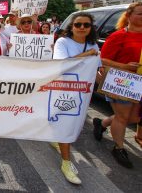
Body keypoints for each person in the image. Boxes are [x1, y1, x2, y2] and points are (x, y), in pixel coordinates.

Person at [52, 12, 99, 185]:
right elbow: (62, 63)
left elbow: (98, 66)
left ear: (90, 28)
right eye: (78, 24)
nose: (81, 28)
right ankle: (66, 163)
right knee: (67, 123)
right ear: (71, 26)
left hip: (83, 92)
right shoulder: (63, 42)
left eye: (86, 25)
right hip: (63, 89)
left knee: (71, 122)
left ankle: (55, 137)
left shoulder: (93, 44)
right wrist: (87, 55)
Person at [93, 2, 142, 168]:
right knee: (122, 117)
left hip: (139, 85)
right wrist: (126, 67)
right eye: (140, 13)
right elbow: (101, 59)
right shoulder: (118, 36)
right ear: (129, 16)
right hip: (121, 82)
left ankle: (103, 123)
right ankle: (118, 148)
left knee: (134, 118)